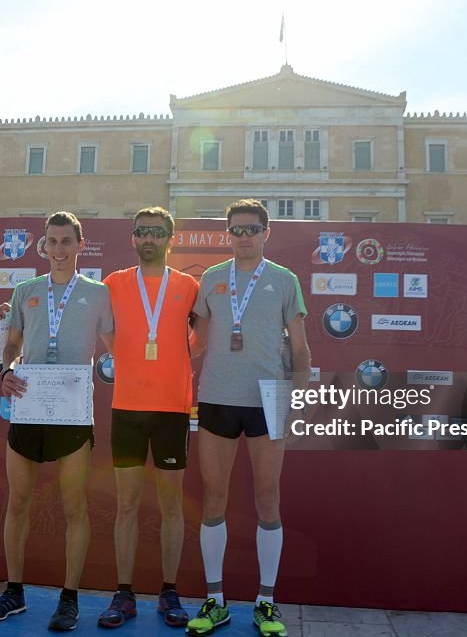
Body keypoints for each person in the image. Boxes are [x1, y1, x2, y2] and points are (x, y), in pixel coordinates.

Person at [0, 212, 114, 631]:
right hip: (29, 408)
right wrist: (6, 371)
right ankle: (14, 592)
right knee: (18, 503)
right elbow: (11, 346)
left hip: (73, 414)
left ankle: (69, 599)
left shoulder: (99, 293)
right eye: (51, 242)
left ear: (79, 244)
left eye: (66, 242)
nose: (58, 250)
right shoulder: (26, 290)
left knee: (74, 508)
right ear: (44, 246)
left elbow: (115, 347)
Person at [186, 199, 311, 637]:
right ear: (228, 234)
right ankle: (215, 600)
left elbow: (299, 347)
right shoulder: (212, 278)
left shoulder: (283, 279)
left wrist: (298, 396)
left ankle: (266, 602)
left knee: (267, 498)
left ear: (266, 232)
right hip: (218, 397)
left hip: (269, 397)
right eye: (236, 230)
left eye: (251, 229)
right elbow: (195, 342)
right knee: (214, 498)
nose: (243, 237)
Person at [94, 207, 198, 629]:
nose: (148, 239)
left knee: (173, 505)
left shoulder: (189, 285)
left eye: (156, 232)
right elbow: (101, 325)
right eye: (141, 233)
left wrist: (174, 354)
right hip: (127, 410)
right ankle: (124, 594)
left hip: (173, 409)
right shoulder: (114, 283)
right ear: (133, 239)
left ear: (171, 238)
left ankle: (169, 591)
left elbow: (202, 337)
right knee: (127, 505)